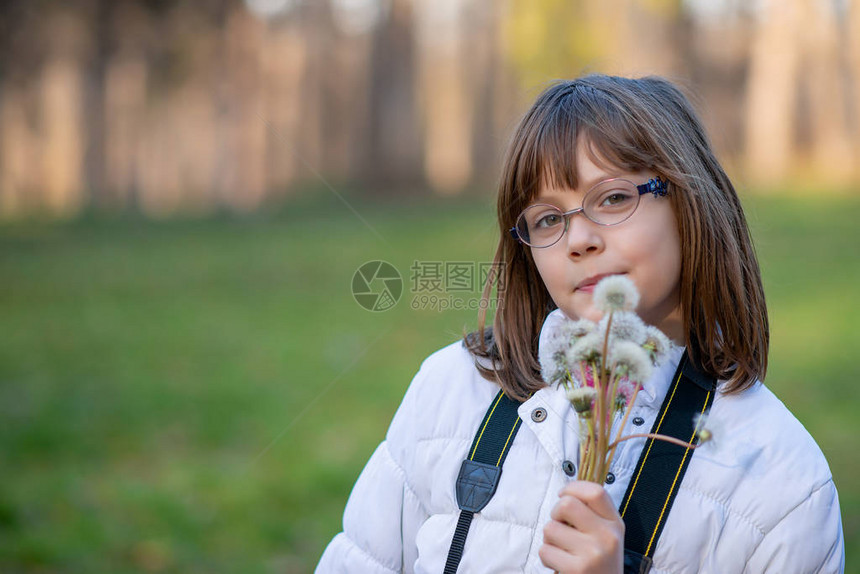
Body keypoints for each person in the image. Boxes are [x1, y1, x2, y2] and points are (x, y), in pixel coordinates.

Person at [315, 75, 845, 573]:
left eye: (613, 198)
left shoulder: (783, 482)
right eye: (547, 218)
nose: (578, 239)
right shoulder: (451, 391)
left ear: (690, 202)